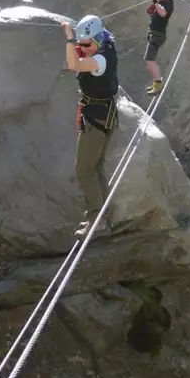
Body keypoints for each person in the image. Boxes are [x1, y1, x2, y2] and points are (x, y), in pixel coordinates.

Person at [63, 14, 119, 238]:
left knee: (84, 170)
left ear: (97, 40)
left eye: (86, 44)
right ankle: (104, 215)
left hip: (96, 120)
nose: (82, 48)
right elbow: (78, 61)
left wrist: (69, 40)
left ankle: (96, 220)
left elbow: (72, 64)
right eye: (80, 45)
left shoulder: (100, 60)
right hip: (105, 114)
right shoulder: (106, 48)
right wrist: (77, 43)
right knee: (97, 167)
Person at [144, 0, 175, 95]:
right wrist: (155, 3)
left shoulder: (169, 3)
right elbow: (149, 12)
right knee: (149, 61)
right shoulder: (161, 2)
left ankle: (158, 84)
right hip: (153, 34)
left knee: (149, 60)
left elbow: (162, 14)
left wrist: (157, 3)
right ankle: (156, 83)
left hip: (158, 35)